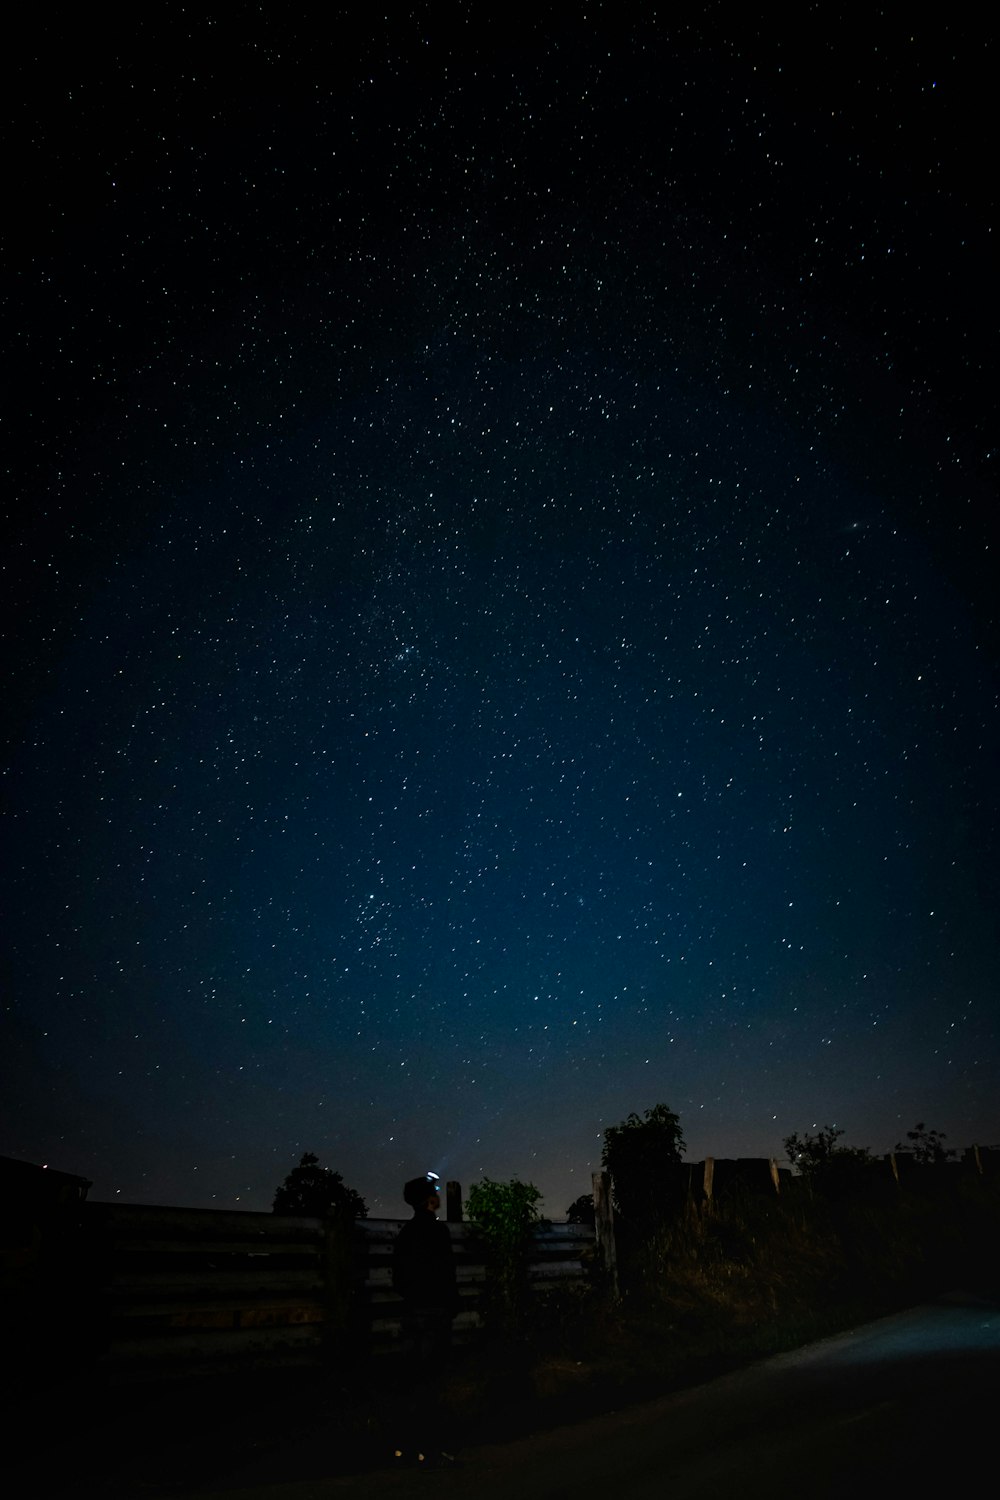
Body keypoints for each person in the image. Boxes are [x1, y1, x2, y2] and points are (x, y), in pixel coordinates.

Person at [390, 1172, 460, 1467]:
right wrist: (448, 1303)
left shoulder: (405, 1234)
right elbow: (447, 1273)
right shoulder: (437, 1232)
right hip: (435, 1313)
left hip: (411, 1313)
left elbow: (398, 1279)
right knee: (431, 1380)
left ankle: (405, 1447)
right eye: (434, 1191)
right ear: (428, 1200)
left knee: (411, 1379)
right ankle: (429, 1450)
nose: (438, 1195)